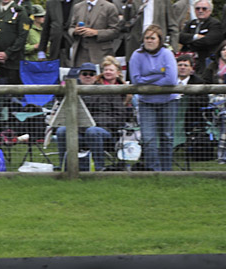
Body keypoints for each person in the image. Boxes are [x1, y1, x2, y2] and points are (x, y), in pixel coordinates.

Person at [54, 63, 131, 170]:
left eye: (91, 74)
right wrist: (62, 90)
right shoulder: (72, 91)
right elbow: (60, 105)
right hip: (78, 132)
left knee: (92, 131)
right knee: (61, 130)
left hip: (104, 133)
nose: (88, 76)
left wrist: (96, 123)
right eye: (84, 73)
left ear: (96, 76)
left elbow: (121, 116)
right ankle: (65, 166)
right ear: (79, 76)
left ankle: (99, 168)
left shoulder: (109, 91)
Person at [129, 24, 178, 171]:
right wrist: (158, 76)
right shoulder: (136, 55)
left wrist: (148, 79)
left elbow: (171, 80)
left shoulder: (167, 54)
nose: (149, 41)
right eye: (146, 38)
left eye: (152, 38)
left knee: (167, 137)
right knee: (149, 138)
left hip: (168, 100)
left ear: (159, 40)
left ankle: (166, 171)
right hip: (146, 102)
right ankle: (153, 171)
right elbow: (136, 80)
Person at [0, 0, 29, 84]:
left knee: (13, 93)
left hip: (13, 62)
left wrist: (7, 54)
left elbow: (22, 37)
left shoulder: (20, 11)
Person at [66, 0, 119, 68]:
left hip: (101, 54)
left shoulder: (109, 7)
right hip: (80, 54)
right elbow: (71, 27)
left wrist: (96, 33)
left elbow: (115, 31)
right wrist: (75, 31)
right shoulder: (78, 6)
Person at [178, 1, 222, 65]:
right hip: (188, 59)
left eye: (204, 9)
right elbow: (180, 37)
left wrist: (188, 41)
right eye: (197, 8)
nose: (200, 11)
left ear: (210, 11)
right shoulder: (191, 23)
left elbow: (208, 41)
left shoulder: (215, 24)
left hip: (205, 59)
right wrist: (196, 36)